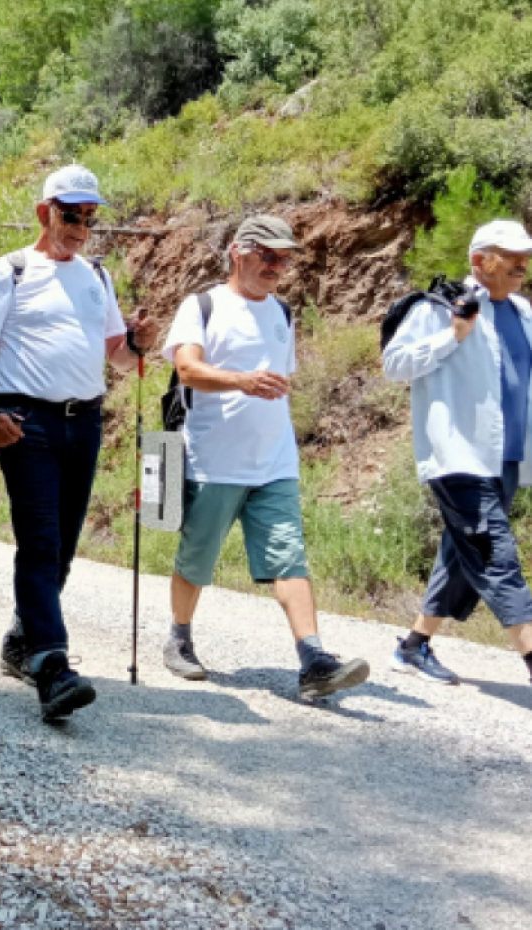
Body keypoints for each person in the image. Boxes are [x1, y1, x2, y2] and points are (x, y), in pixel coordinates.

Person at [0, 164, 158, 722]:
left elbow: (116, 356)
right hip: (27, 423)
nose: (81, 228)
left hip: (85, 423)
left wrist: (136, 343)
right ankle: (52, 666)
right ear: (45, 213)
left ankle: (22, 640)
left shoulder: (97, 277)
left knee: (63, 546)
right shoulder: (10, 271)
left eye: (90, 218)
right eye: (72, 216)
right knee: (40, 541)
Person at [160, 215, 370, 700]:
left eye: (285, 257)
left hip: (275, 463)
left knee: (289, 559)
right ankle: (179, 638)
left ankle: (314, 658)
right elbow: (187, 369)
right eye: (268, 255)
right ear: (238, 251)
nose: (278, 265)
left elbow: (280, 378)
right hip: (214, 461)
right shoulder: (204, 306)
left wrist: (263, 390)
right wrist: (242, 381)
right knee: (196, 558)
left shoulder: (283, 313)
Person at [383, 220, 532, 686]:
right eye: (512, 256)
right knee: (495, 556)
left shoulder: (524, 311)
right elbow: (394, 363)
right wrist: (454, 334)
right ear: (479, 261)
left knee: (461, 552)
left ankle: (413, 646)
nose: (523, 265)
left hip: (506, 456)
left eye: (525, 256)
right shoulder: (441, 306)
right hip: (457, 454)